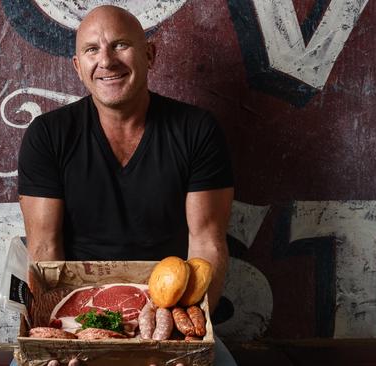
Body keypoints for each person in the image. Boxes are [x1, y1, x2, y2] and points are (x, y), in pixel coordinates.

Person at [15, 5, 236, 366]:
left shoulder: (197, 130)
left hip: (170, 308)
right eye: (91, 50)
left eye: (120, 45)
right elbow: (43, 248)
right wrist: (58, 340)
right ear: (77, 67)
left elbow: (207, 244)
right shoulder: (48, 135)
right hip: (77, 317)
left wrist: (185, 337)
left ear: (149, 54)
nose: (106, 61)